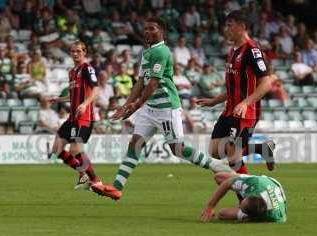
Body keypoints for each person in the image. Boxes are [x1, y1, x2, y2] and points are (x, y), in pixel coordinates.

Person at [90, 17, 234, 200]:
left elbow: (153, 84)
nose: (147, 32)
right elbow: (141, 82)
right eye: (145, 28)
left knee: (177, 149)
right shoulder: (146, 53)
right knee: (135, 144)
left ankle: (218, 166)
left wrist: (135, 107)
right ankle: (117, 187)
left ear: (162, 32)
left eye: (152, 28)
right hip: (149, 107)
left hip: (166, 107)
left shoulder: (162, 52)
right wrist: (126, 105)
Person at [196, 10, 275, 174]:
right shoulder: (233, 51)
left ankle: (247, 198)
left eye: (230, 25)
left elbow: (266, 83)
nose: (226, 29)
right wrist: (214, 101)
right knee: (215, 151)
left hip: (245, 113)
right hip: (229, 110)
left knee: (233, 158)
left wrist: (246, 103)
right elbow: (233, 87)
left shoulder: (252, 51)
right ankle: (261, 148)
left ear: (242, 27)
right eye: (225, 25)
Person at [49, 41, 102, 189]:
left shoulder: (87, 68)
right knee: (57, 149)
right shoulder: (72, 72)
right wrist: (58, 99)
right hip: (72, 118)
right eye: (72, 51)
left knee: (75, 150)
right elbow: (74, 96)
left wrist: (85, 104)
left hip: (84, 118)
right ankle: (82, 175)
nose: (75, 54)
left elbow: (96, 90)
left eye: (78, 51)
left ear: (84, 52)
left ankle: (96, 180)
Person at [200, 171, 287, 223]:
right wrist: (210, 206)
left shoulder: (275, 217)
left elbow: (282, 218)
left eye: (241, 206)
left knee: (222, 214)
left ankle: (239, 188)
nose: (240, 204)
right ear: (251, 195)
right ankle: (239, 184)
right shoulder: (254, 184)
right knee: (219, 177)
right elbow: (227, 182)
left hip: (266, 203)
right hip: (264, 182)